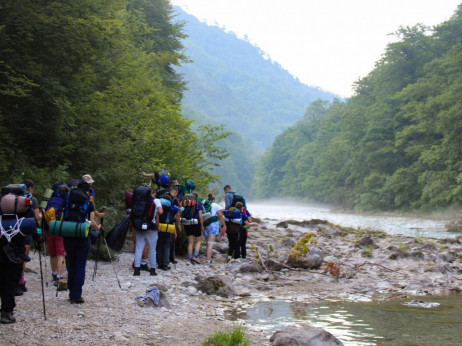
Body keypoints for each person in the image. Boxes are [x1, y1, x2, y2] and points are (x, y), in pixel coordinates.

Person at [61, 181, 101, 304]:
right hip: (82, 236)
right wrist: (99, 229)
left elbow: (62, 218)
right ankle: (76, 295)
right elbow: (93, 223)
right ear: (87, 191)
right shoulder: (88, 203)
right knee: (80, 265)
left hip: (68, 234)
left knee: (71, 264)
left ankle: (71, 291)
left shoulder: (67, 200)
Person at [16, 179, 42, 296]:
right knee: (23, 257)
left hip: (12, 230)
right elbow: (36, 217)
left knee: (13, 256)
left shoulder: (13, 198)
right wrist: (41, 214)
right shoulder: (32, 199)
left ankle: (11, 282)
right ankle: (20, 283)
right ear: (30, 188)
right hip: (26, 232)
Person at [44, 182, 69, 285]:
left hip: (48, 227)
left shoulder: (50, 199)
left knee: (52, 253)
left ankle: (54, 273)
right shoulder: (66, 199)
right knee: (60, 254)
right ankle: (59, 276)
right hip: (59, 228)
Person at [133, 188, 162, 276]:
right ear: (152, 193)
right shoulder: (156, 200)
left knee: (139, 248)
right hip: (151, 226)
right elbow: (160, 211)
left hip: (139, 226)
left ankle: (137, 270)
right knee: (152, 249)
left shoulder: (138, 200)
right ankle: (152, 270)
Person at [203, 194, 226, 264]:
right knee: (211, 243)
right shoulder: (215, 205)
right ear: (214, 200)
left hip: (205, 224)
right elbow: (220, 215)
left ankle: (207, 258)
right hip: (213, 225)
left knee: (207, 243)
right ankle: (209, 260)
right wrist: (224, 224)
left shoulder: (204, 205)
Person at [183, 192, 203, 264]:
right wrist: (202, 226)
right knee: (198, 241)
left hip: (187, 223)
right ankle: (195, 256)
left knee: (190, 242)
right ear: (196, 198)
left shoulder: (185, 204)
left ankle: (190, 257)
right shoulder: (198, 205)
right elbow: (200, 217)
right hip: (196, 223)